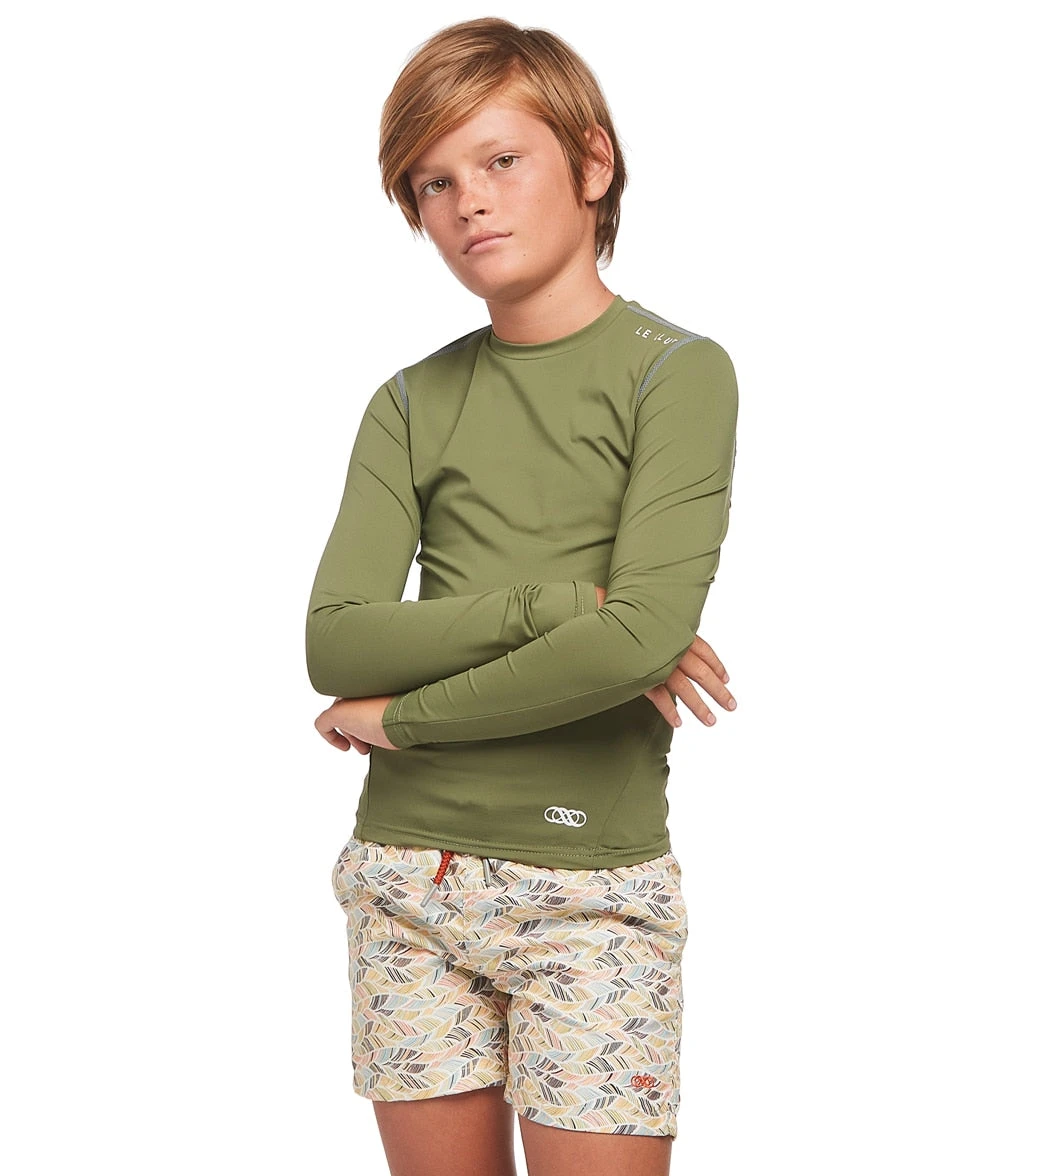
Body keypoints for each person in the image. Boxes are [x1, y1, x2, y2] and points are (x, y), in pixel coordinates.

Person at [305, 17, 739, 1176]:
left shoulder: (676, 373)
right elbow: (336, 641)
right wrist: (558, 609)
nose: (469, 204)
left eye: (501, 160)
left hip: (592, 885)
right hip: (409, 876)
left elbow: (635, 641)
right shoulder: (409, 401)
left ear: (592, 164)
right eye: (434, 182)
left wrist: (400, 719)